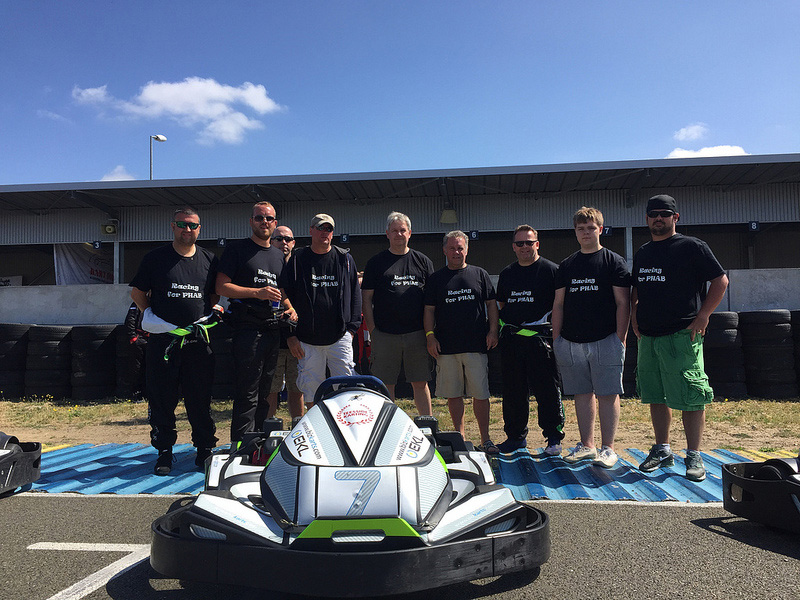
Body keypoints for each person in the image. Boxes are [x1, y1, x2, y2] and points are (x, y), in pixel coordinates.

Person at [632, 194, 729, 482]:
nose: (658, 218)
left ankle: (693, 455)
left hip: (682, 334)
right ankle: (662, 450)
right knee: (655, 395)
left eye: (664, 213)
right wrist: (635, 317)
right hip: (649, 336)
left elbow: (720, 280)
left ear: (676, 217)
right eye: (653, 214)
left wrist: (703, 316)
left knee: (691, 396)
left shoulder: (692, 247)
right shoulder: (643, 251)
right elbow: (637, 287)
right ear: (647, 218)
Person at [130, 207, 219, 475]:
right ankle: (164, 452)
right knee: (161, 398)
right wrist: (151, 316)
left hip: (197, 343)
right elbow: (137, 292)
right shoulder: (156, 258)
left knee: (200, 399)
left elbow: (213, 295)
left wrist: (201, 317)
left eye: (193, 225)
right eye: (182, 224)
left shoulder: (209, 260)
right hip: (163, 343)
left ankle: (204, 450)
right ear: (173, 226)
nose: (187, 230)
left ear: (199, 229)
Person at [552, 207, 631, 468]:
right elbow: (559, 304)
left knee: (608, 393)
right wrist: (557, 339)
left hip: (606, 339)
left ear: (601, 229)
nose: (586, 232)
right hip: (571, 341)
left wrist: (620, 338)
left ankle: (608, 449)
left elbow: (623, 303)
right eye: (580, 228)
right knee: (582, 394)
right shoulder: (567, 265)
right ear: (575, 232)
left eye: (590, 228)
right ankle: (587, 445)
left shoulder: (614, 262)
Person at [216, 201, 296, 446]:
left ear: (275, 222)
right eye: (260, 218)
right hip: (247, 329)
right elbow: (221, 286)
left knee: (267, 393)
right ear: (251, 221)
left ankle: (260, 442)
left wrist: (290, 307)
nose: (265, 222)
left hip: (272, 330)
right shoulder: (237, 250)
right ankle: (240, 445)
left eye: (269, 218)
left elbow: (281, 291)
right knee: (247, 392)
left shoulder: (277, 255)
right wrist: (256, 292)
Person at [424, 230, 498, 452]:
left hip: (476, 345)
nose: (457, 252)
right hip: (446, 348)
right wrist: (430, 337)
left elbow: (491, 305)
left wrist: (493, 331)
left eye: (460, 247)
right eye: (452, 248)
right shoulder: (436, 279)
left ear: (467, 249)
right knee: (453, 394)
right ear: (445, 250)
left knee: (481, 394)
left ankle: (485, 439)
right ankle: (461, 438)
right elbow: (429, 311)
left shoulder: (480, 274)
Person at [495, 225, 565, 456]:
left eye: (529, 242)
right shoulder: (507, 273)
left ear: (537, 244)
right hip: (513, 341)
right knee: (513, 390)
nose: (524, 247)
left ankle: (553, 437)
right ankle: (515, 437)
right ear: (514, 247)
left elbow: (560, 305)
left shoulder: (551, 270)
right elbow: (503, 305)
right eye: (519, 243)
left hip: (542, 341)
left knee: (547, 390)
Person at [279, 214, 361, 408]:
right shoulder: (298, 258)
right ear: (311, 231)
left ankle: (344, 428)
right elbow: (284, 292)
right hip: (307, 339)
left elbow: (356, 295)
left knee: (346, 390)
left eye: (328, 229)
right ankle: (317, 427)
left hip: (340, 337)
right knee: (311, 390)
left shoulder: (344, 258)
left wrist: (351, 330)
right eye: (320, 228)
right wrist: (291, 335)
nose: (324, 232)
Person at [362, 212, 434, 414]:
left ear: (410, 233)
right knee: (385, 385)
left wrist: (430, 333)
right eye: (394, 230)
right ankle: (387, 429)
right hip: (384, 334)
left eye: (403, 230)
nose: (399, 234)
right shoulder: (376, 263)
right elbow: (366, 299)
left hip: (416, 334)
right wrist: (373, 330)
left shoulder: (423, 261)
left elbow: (431, 302)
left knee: (420, 382)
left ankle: (427, 428)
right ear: (387, 234)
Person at [265, 225, 304, 419]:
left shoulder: (300, 267)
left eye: (288, 239)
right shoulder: (265, 265)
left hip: (298, 340)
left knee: (297, 388)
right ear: (271, 241)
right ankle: (268, 430)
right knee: (271, 389)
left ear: (294, 243)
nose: (284, 243)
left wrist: (293, 335)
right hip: (272, 338)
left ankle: (298, 428)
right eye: (279, 239)